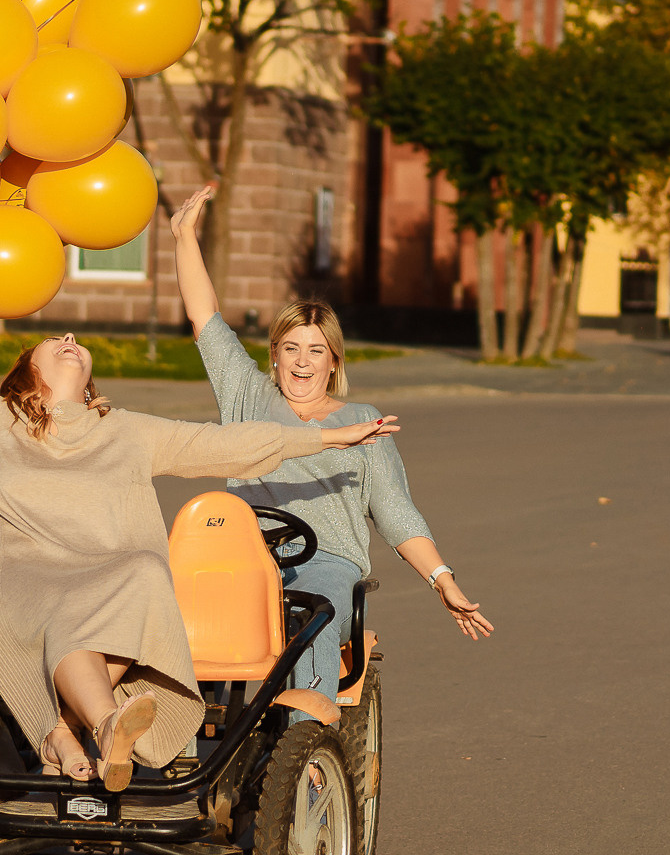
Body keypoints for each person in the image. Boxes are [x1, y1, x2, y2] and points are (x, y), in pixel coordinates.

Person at [0, 289, 397, 792]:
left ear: (91, 383)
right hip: (13, 587)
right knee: (77, 610)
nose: (67, 337)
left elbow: (227, 446)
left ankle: (82, 732)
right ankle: (89, 726)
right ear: (28, 376)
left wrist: (327, 440)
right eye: (51, 342)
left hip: (103, 588)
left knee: (144, 569)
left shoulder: (126, 432)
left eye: (76, 344)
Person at [167, 185, 493, 708]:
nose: (302, 362)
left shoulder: (364, 422)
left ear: (333, 361)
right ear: (274, 356)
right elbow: (204, 316)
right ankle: (173, 737)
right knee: (169, 605)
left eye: (315, 351)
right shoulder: (246, 393)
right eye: (291, 348)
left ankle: (307, 752)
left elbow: (394, 511)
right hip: (243, 556)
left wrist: (442, 581)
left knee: (312, 612)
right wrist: (183, 235)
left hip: (326, 562)